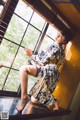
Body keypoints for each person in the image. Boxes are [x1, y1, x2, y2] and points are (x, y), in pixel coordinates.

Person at [16, 29, 73, 112]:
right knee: (33, 100)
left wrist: (31, 55)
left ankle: (24, 97)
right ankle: (55, 100)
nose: (57, 36)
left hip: (48, 72)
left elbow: (41, 61)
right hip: (53, 75)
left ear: (65, 41)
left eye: (61, 36)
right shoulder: (63, 53)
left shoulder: (54, 47)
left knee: (23, 69)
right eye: (58, 34)